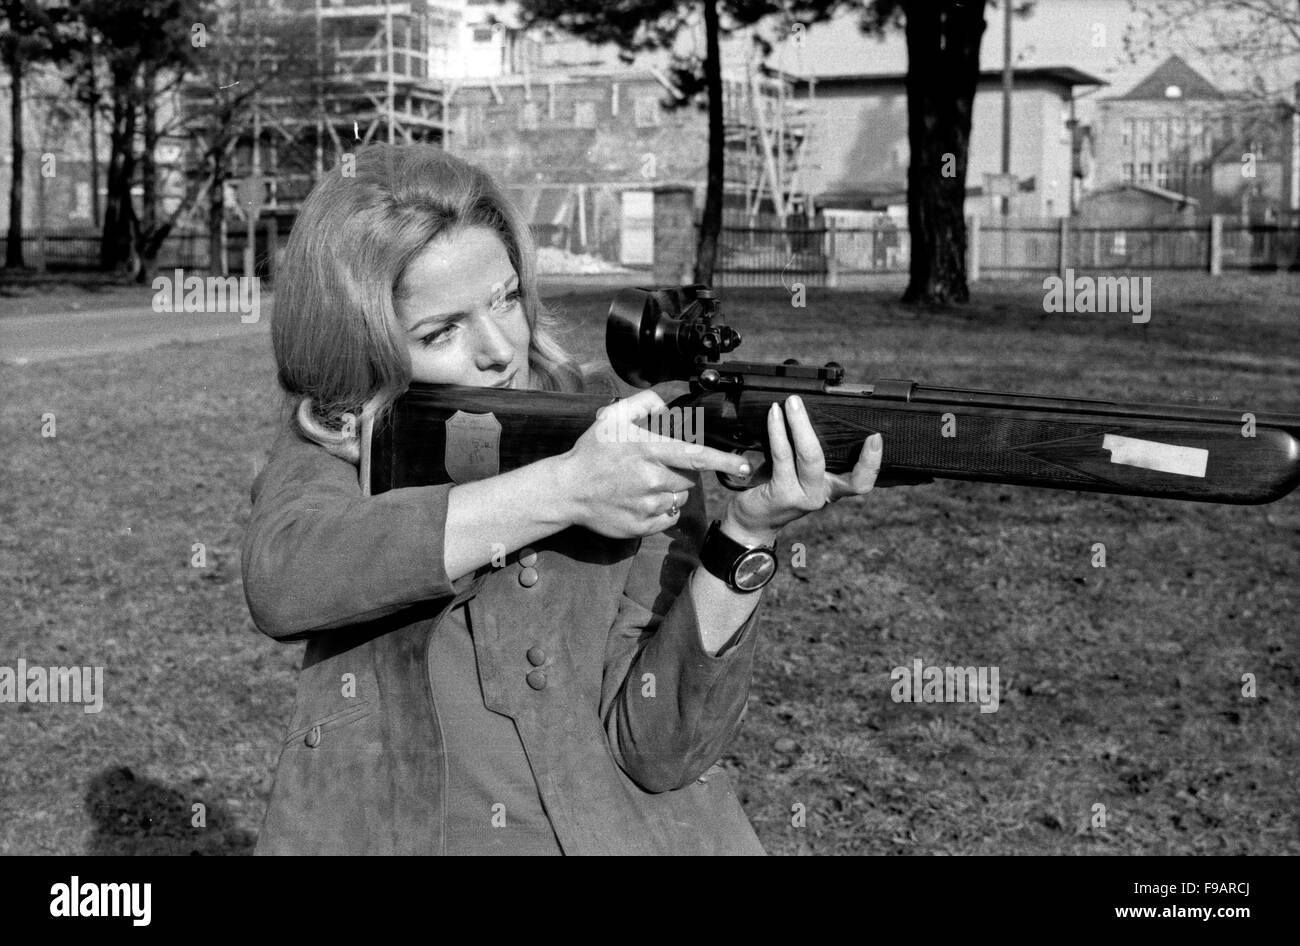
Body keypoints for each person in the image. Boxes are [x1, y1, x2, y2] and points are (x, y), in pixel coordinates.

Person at [240, 144, 883, 855]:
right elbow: (284, 579)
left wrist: (746, 537)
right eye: (441, 330)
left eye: (505, 299)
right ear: (358, 347)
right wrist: (561, 491)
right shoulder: (338, 443)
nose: (498, 348)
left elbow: (660, 749)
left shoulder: (620, 435)